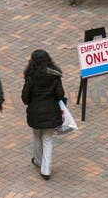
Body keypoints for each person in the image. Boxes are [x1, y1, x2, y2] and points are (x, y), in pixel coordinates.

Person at [21, 49, 66, 180]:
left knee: (37, 136)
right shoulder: (54, 75)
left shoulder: (30, 77)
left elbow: (25, 99)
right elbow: (60, 94)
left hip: (35, 113)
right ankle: (46, 169)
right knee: (47, 139)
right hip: (51, 112)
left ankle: (38, 161)